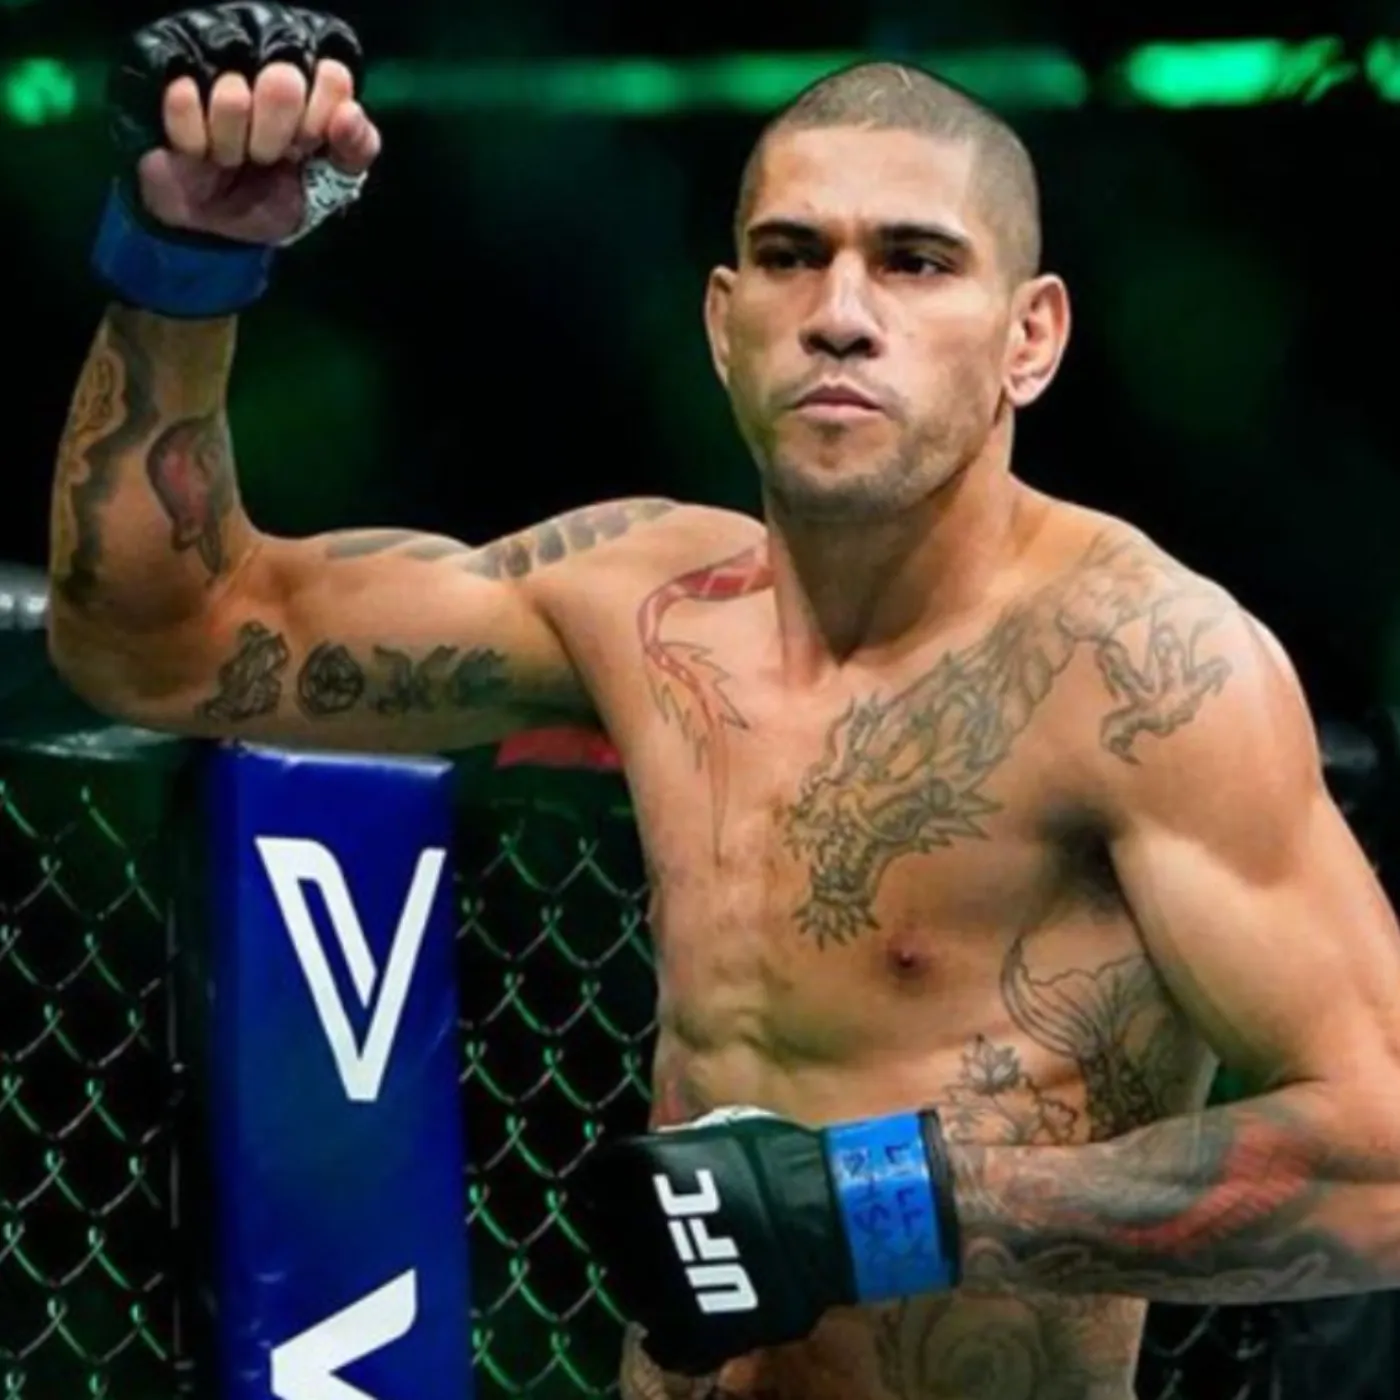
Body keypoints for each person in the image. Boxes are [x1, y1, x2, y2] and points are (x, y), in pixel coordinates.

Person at [45, 7, 1400, 1399]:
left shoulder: (1142, 670)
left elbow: (1386, 1169)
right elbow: (165, 642)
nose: (842, 314)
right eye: (791, 254)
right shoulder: (641, 602)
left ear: (1029, 338)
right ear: (721, 321)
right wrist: (185, 261)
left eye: (917, 262)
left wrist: (861, 1211)